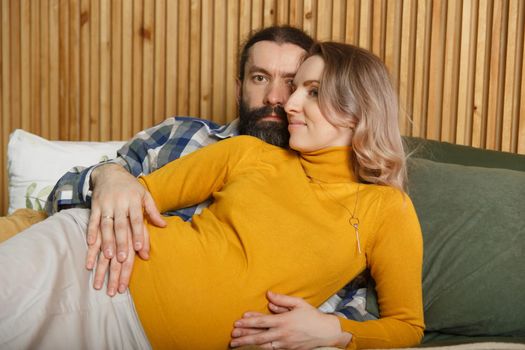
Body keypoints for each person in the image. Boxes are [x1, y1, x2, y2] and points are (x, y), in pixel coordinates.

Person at [0, 41, 424, 349]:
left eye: (310, 91)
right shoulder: (246, 152)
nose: (289, 102)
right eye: (296, 88)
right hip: (80, 263)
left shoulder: (386, 209)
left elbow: (406, 325)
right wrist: (109, 174)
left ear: (357, 107)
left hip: (129, 338)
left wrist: (336, 331)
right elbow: (138, 193)